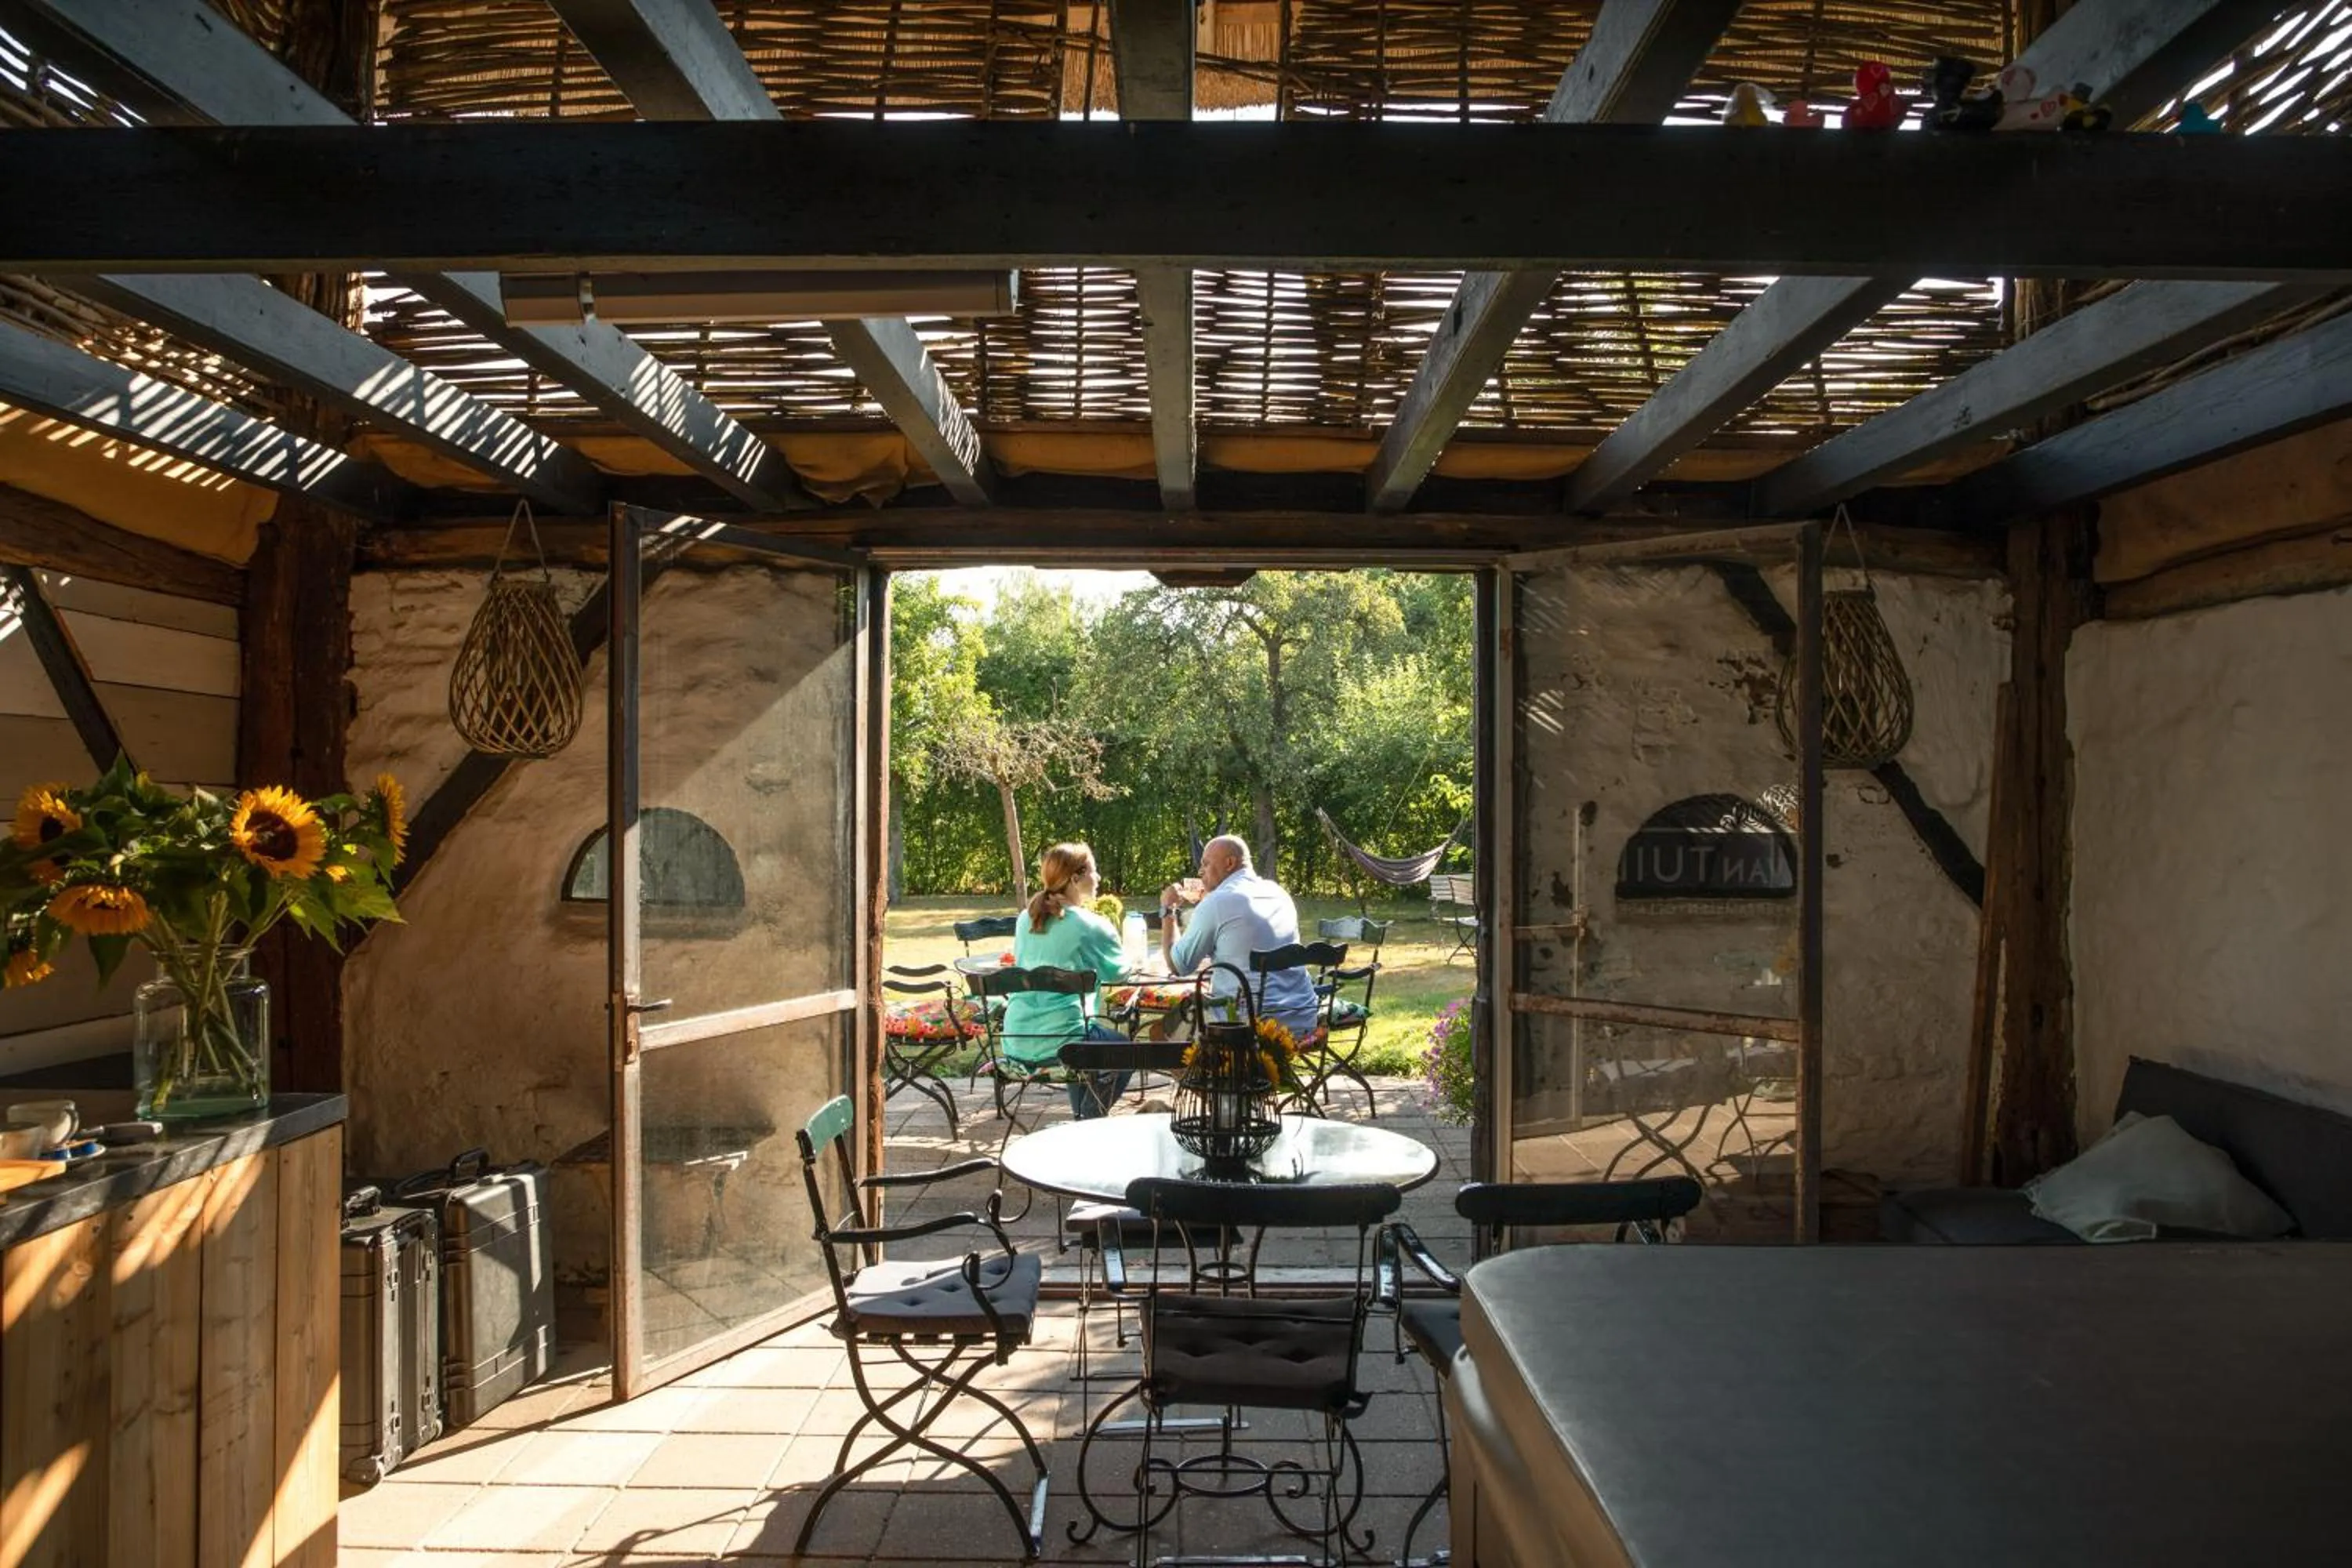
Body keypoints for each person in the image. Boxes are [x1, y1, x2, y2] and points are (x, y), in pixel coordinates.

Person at [1004, 842, 1137, 1119]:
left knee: (1084, 1042)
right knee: (1127, 1054)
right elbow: (1119, 973)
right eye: (1094, 871)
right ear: (1076, 878)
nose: (1098, 878)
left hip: (1016, 1039)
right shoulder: (1089, 925)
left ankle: (1082, 1120)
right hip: (1065, 1041)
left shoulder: (1024, 919)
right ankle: (1086, 1122)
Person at [1159, 834, 1321, 1040]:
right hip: (1303, 1017)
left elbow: (1178, 965)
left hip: (1248, 1023)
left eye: (1206, 864)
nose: (1201, 872)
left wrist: (1168, 910)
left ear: (1229, 863)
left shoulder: (1218, 902)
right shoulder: (1279, 893)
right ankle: (1229, 1071)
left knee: (1164, 1030)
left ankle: (1210, 1071)